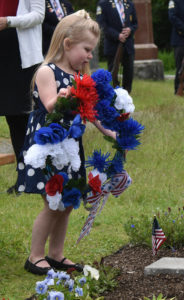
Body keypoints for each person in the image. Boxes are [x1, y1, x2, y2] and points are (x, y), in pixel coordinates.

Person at [19, 10, 118, 275]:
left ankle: (56, 253)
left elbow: (90, 111)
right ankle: (35, 256)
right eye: (86, 49)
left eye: (91, 50)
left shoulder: (78, 77)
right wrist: (66, 94)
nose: (89, 56)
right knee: (52, 204)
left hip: (70, 148)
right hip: (49, 148)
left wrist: (108, 130)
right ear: (67, 44)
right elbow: (51, 105)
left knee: (67, 204)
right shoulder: (46, 72)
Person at [0, 0, 45, 194]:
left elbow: (38, 15)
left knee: (27, 118)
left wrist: (8, 21)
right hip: (3, 53)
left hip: (22, 56)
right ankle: (22, 179)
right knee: (11, 116)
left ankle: (35, 176)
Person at [96, 0, 138, 92]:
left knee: (129, 70)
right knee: (113, 70)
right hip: (113, 44)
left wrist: (130, 29)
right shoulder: (104, 4)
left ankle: (127, 92)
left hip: (128, 44)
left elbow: (135, 23)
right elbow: (102, 24)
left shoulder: (129, 4)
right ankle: (113, 91)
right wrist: (117, 35)